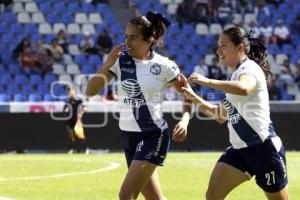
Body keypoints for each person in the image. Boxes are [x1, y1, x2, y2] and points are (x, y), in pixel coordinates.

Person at [86, 11, 191, 200]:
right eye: (126, 37)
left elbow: (187, 94)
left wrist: (184, 120)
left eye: (133, 37)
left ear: (149, 40)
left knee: (126, 195)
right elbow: (90, 91)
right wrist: (106, 65)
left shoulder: (165, 65)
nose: (127, 42)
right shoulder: (120, 61)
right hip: (128, 136)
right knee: (154, 198)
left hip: (153, 135)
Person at [181, 27, 289, 200]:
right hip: (239, 151)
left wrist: (207, 81)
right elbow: (219, 115)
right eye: (218, 46)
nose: (218, 51)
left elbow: (244, 89)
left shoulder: (249, 68)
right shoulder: (234, 77)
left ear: (240, 48)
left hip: (264, 149)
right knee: (213, 195)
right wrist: (192, 97)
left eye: (223, 45)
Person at [63, 87, 87, 154]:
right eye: (70, 92)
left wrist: (80, 115)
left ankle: (85, 149)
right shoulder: (67, 101)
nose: (71, 93)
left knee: (80, 135)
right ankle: (70, 149)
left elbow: (84, 108)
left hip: (77, 121)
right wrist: (66, 115)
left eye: (72, 92)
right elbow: (64, 110)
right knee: (71, 136)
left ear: (75, 93)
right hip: (70, 121)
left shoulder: (79, 101)